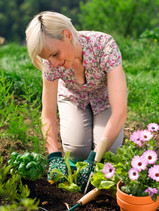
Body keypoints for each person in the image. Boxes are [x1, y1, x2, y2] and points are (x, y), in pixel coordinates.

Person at [25, 11, 127, 189]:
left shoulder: (104, 46)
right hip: (74, 98)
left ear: (67, 35)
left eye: (55, 54)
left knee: (107, 153)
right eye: (47, 58)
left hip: (105, 98)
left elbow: (119, 112)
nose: (53, 63)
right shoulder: (51, 62)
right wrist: (54, 155)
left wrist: (94, 159)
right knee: (77, 151)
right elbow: (48, 114)